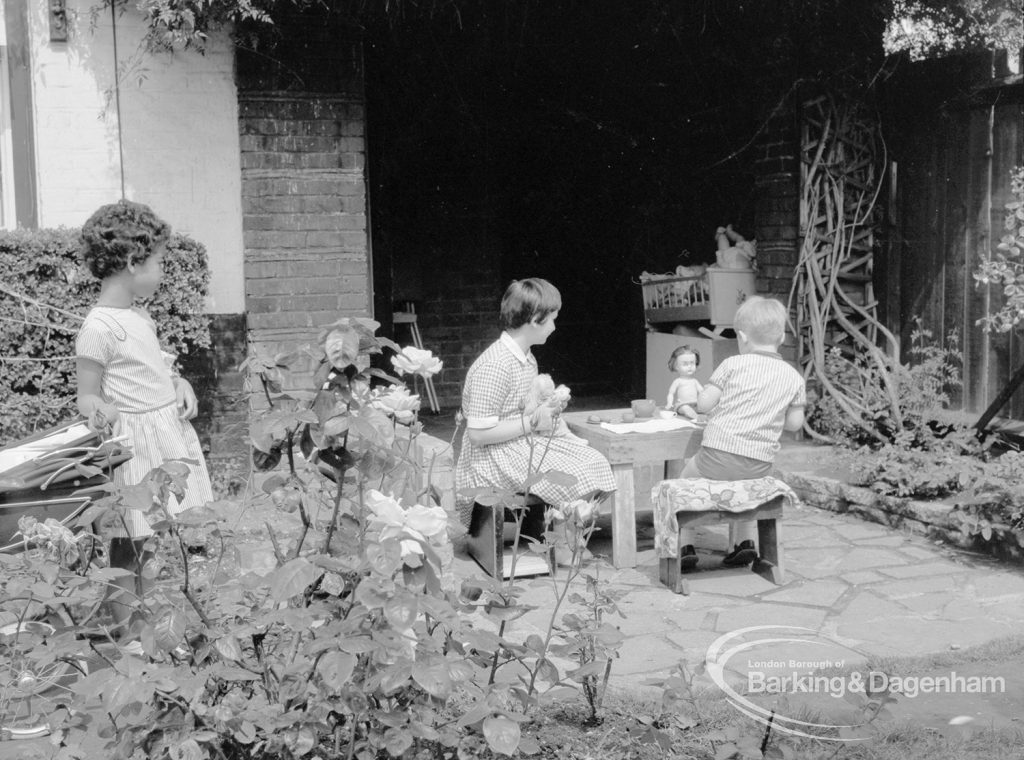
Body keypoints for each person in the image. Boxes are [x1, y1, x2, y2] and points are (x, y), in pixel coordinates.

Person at [75, 199, 213, 629]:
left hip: (161, 440)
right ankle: (129, 634)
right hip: (133, 449)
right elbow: (86, 396)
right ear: (134, 262)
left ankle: (147, 628)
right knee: (124, 544)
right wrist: (100, 411)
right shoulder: (99, 327)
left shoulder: (139, 317)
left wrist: (179, 384)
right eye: (158, 261)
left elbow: (158, 370)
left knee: (149, 538)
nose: (162, 270)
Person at [454, 278, 615, 532]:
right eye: (551, 318)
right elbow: (478, 435)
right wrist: (532, 421)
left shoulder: (526, 358)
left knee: (595, 461)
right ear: (535, 318)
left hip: (518, 444)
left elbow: (527, 409)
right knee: (576, 471)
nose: (553, 326)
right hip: (491, 457)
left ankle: (564, 531)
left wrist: (546, 409)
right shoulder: (495, 365)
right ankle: (563, 536)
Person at [677, 295, 805, 571]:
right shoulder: (794, 376)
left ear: (743, 337)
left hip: (716, 457)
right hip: (759, 465)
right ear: (781, 337)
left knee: (684, 481)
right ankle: (745, 543)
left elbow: (704, 404)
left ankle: (685, 545)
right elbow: (795, 424)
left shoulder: (732, 365)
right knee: (745, 487)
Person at [666, 345, 703, 420]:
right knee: (685, 408)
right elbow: (671, 393)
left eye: (692, 363)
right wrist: (669, 403)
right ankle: (697, 418)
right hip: (682, 404)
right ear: (676, 366)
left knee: (707, 407)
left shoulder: (695, 381)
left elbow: (702, 391)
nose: (689, 366)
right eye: (685, 364)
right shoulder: (678, 381)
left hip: (695, 403)